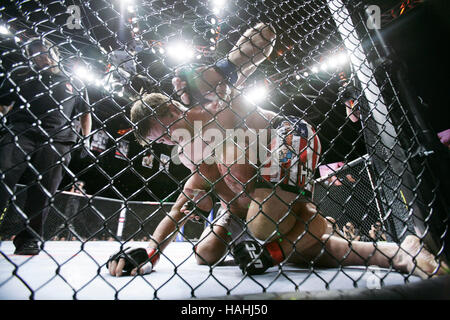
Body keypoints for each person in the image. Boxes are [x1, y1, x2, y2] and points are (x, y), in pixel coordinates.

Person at [107, 23, 447, 279]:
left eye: (165, 134)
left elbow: (264, 35)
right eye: (160, 143)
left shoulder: (211, 108)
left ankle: (277, 237)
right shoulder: (191, 152)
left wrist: (226, 70)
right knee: (210, 253)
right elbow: (184, 203)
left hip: (285, 136)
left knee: (265, 225)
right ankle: (398, 253)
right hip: (249, 181)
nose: (167, 143)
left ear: (170, 113)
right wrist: (150, 251)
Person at [0, 37, 92, 255]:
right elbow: (2, 103)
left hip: (58, 138)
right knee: (3, 176)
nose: (40, 56)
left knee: (44, 190)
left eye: (44, 51)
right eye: (35, 53)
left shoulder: (74, 80)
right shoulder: (21, 74)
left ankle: (29, 239)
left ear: (55, 53)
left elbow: (86, 112)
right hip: (21, 131)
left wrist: (85, 139)